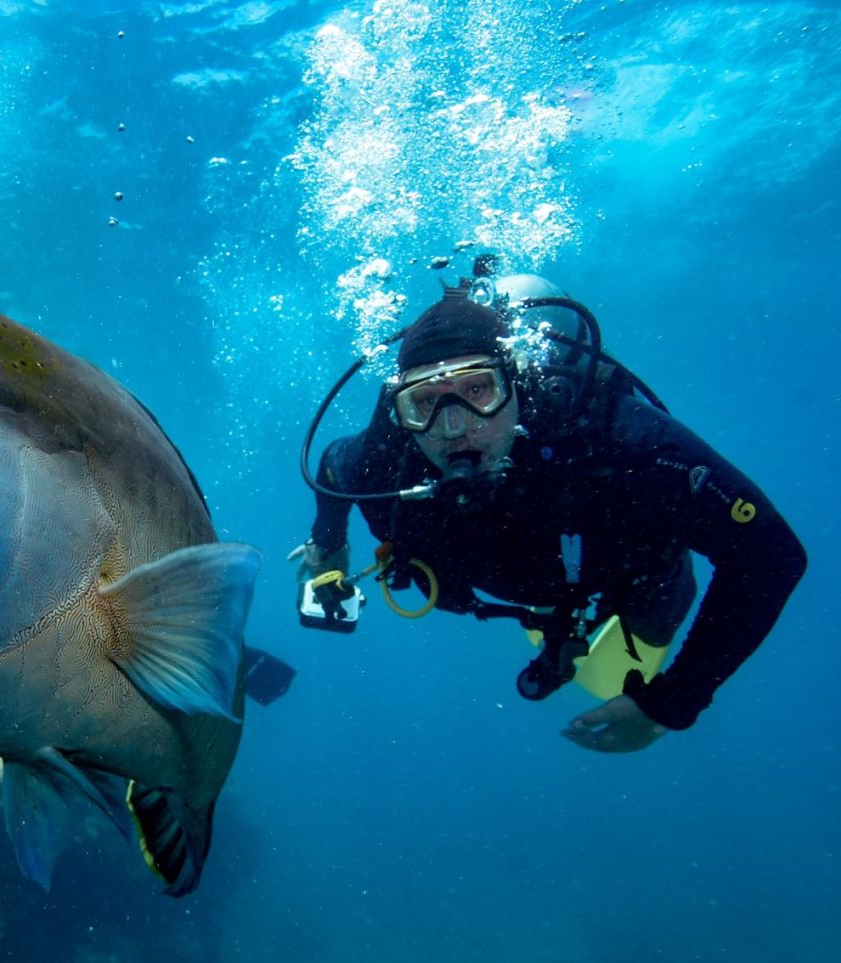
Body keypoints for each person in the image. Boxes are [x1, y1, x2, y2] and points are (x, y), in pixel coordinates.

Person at [292, 263, 807, 752]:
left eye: (478, 389)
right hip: (533, 589)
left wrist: (671, 703)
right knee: (550, 625)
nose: (454, 427)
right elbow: (332, 469)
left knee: (642, 635)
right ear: (400, 408)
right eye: (425, 402)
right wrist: (329, 543)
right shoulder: (386, 458)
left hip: (636, 589)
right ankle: (552, 627)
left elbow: (769, 554)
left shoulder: (618, 442)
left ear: (516, 383)